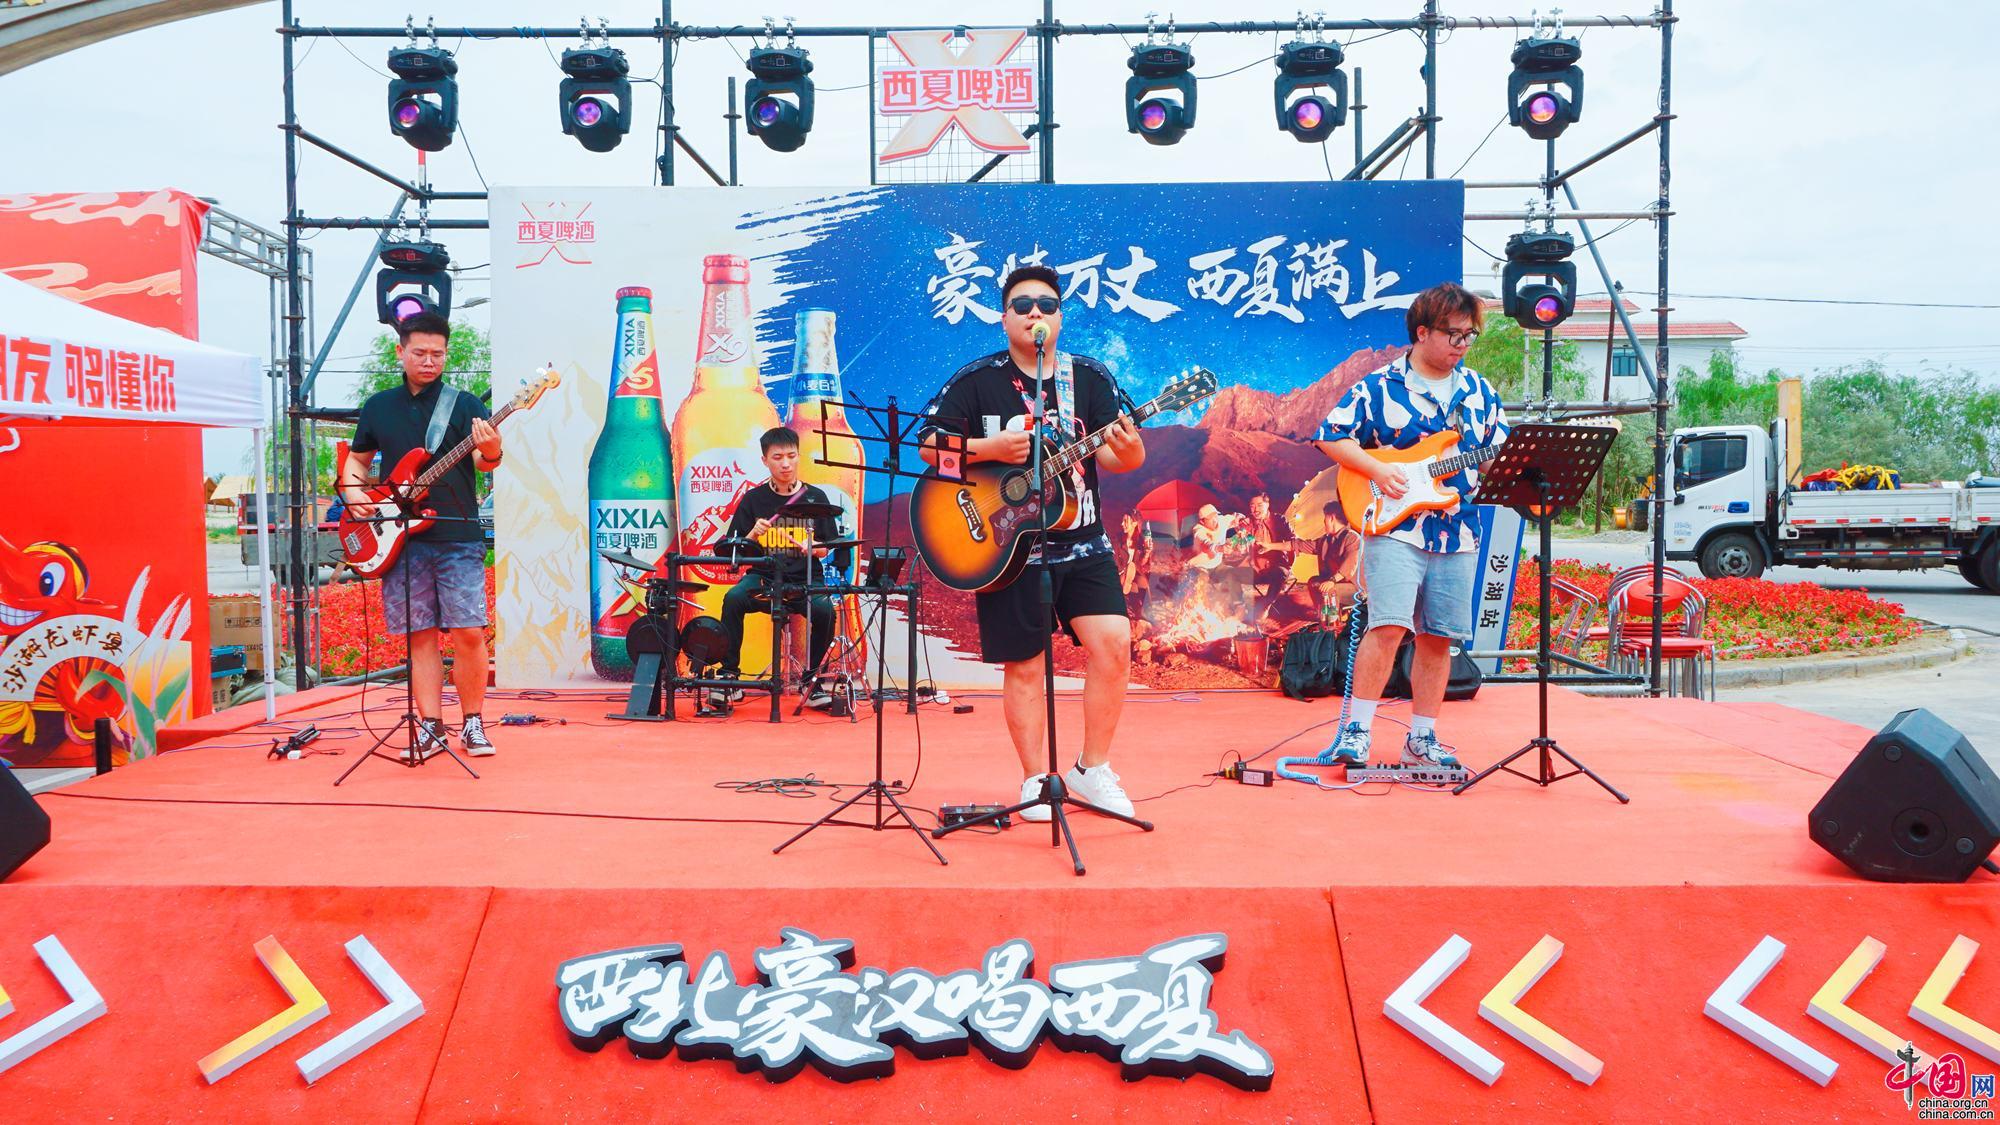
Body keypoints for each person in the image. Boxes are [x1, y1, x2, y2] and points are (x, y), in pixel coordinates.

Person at [919, 264, 1146, 822]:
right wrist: (990, 449)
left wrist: (1132, 448)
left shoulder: (1089, 378)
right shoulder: (976, 380)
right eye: (1022, 305)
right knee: (1025, 665)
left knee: (1114, 643)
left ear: (1060, 317)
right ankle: (1035, 778)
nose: (1035, 313)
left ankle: (1092, 770)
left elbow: (1117, 457)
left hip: (1083, 538)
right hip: (1004, 546)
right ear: (1004, 318)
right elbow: (928, 448)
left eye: (1047, 304)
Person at [1309, 281, 1509, 768]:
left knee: (1439, 636)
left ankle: (1422, 737)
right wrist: (1379, 471)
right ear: (1423, 332)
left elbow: (1494, 458)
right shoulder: (1379, 386)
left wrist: (1514, 464)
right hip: (1396, 526)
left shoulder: (1479, 392)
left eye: (1470, 336)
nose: (1463, 344)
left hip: (1457, 528)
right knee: (1389, 626)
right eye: (1454, 334)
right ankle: (1357, 731)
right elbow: (1330, 436)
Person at [339, 311, 502, 760]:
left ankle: (473, 723)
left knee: (469, 632)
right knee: (420, 635)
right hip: (399, 539)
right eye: (420, 353)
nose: (429, 361)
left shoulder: (464, 404)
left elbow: (486, 462)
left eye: (438, 354)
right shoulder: (379, 406)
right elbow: (357, 460)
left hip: (457, 535)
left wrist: (491, 450)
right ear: (401, 351)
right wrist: (353, 493)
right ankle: (431, 725)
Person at [711, 427, 851, 709]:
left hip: (806, 578)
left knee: (825, 611)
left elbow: (828, 547)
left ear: (799, 456)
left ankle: (811, 681)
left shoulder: (815, 497)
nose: (785, 464)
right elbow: (734, 547)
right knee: (733, 599)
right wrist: (753, 534)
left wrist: (813, 547)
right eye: (777, 457)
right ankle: (729, 677)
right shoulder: (754, 499)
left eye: (791, 456)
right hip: (764, 577)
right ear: (765, 460)